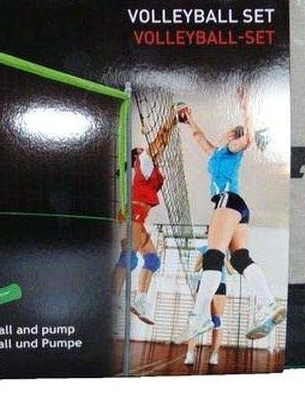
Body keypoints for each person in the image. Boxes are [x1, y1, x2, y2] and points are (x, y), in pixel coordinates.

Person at [180, 88, 286, 341]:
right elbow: (199, 138)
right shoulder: (217, 153)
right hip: (238, 207)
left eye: (230, 131)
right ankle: (269, 304)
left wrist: (247, 107)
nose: (226, 131)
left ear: (231, 135)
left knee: (213, 256)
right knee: (239, 259)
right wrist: (189, 119)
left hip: (226, 201)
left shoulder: (230, 148)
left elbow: (247, 140)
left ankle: (199, 316)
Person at [112, 103, 179, 325]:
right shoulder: (145, 162)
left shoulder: (150, 168)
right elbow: (161, 139)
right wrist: (171, 118)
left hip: (139, 215)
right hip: (133, 213)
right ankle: (112, 299)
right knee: (129, 257)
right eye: (142, 149)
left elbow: (160, 145)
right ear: (138, 156)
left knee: (152, 260)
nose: (146, 148)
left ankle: (140, 301)